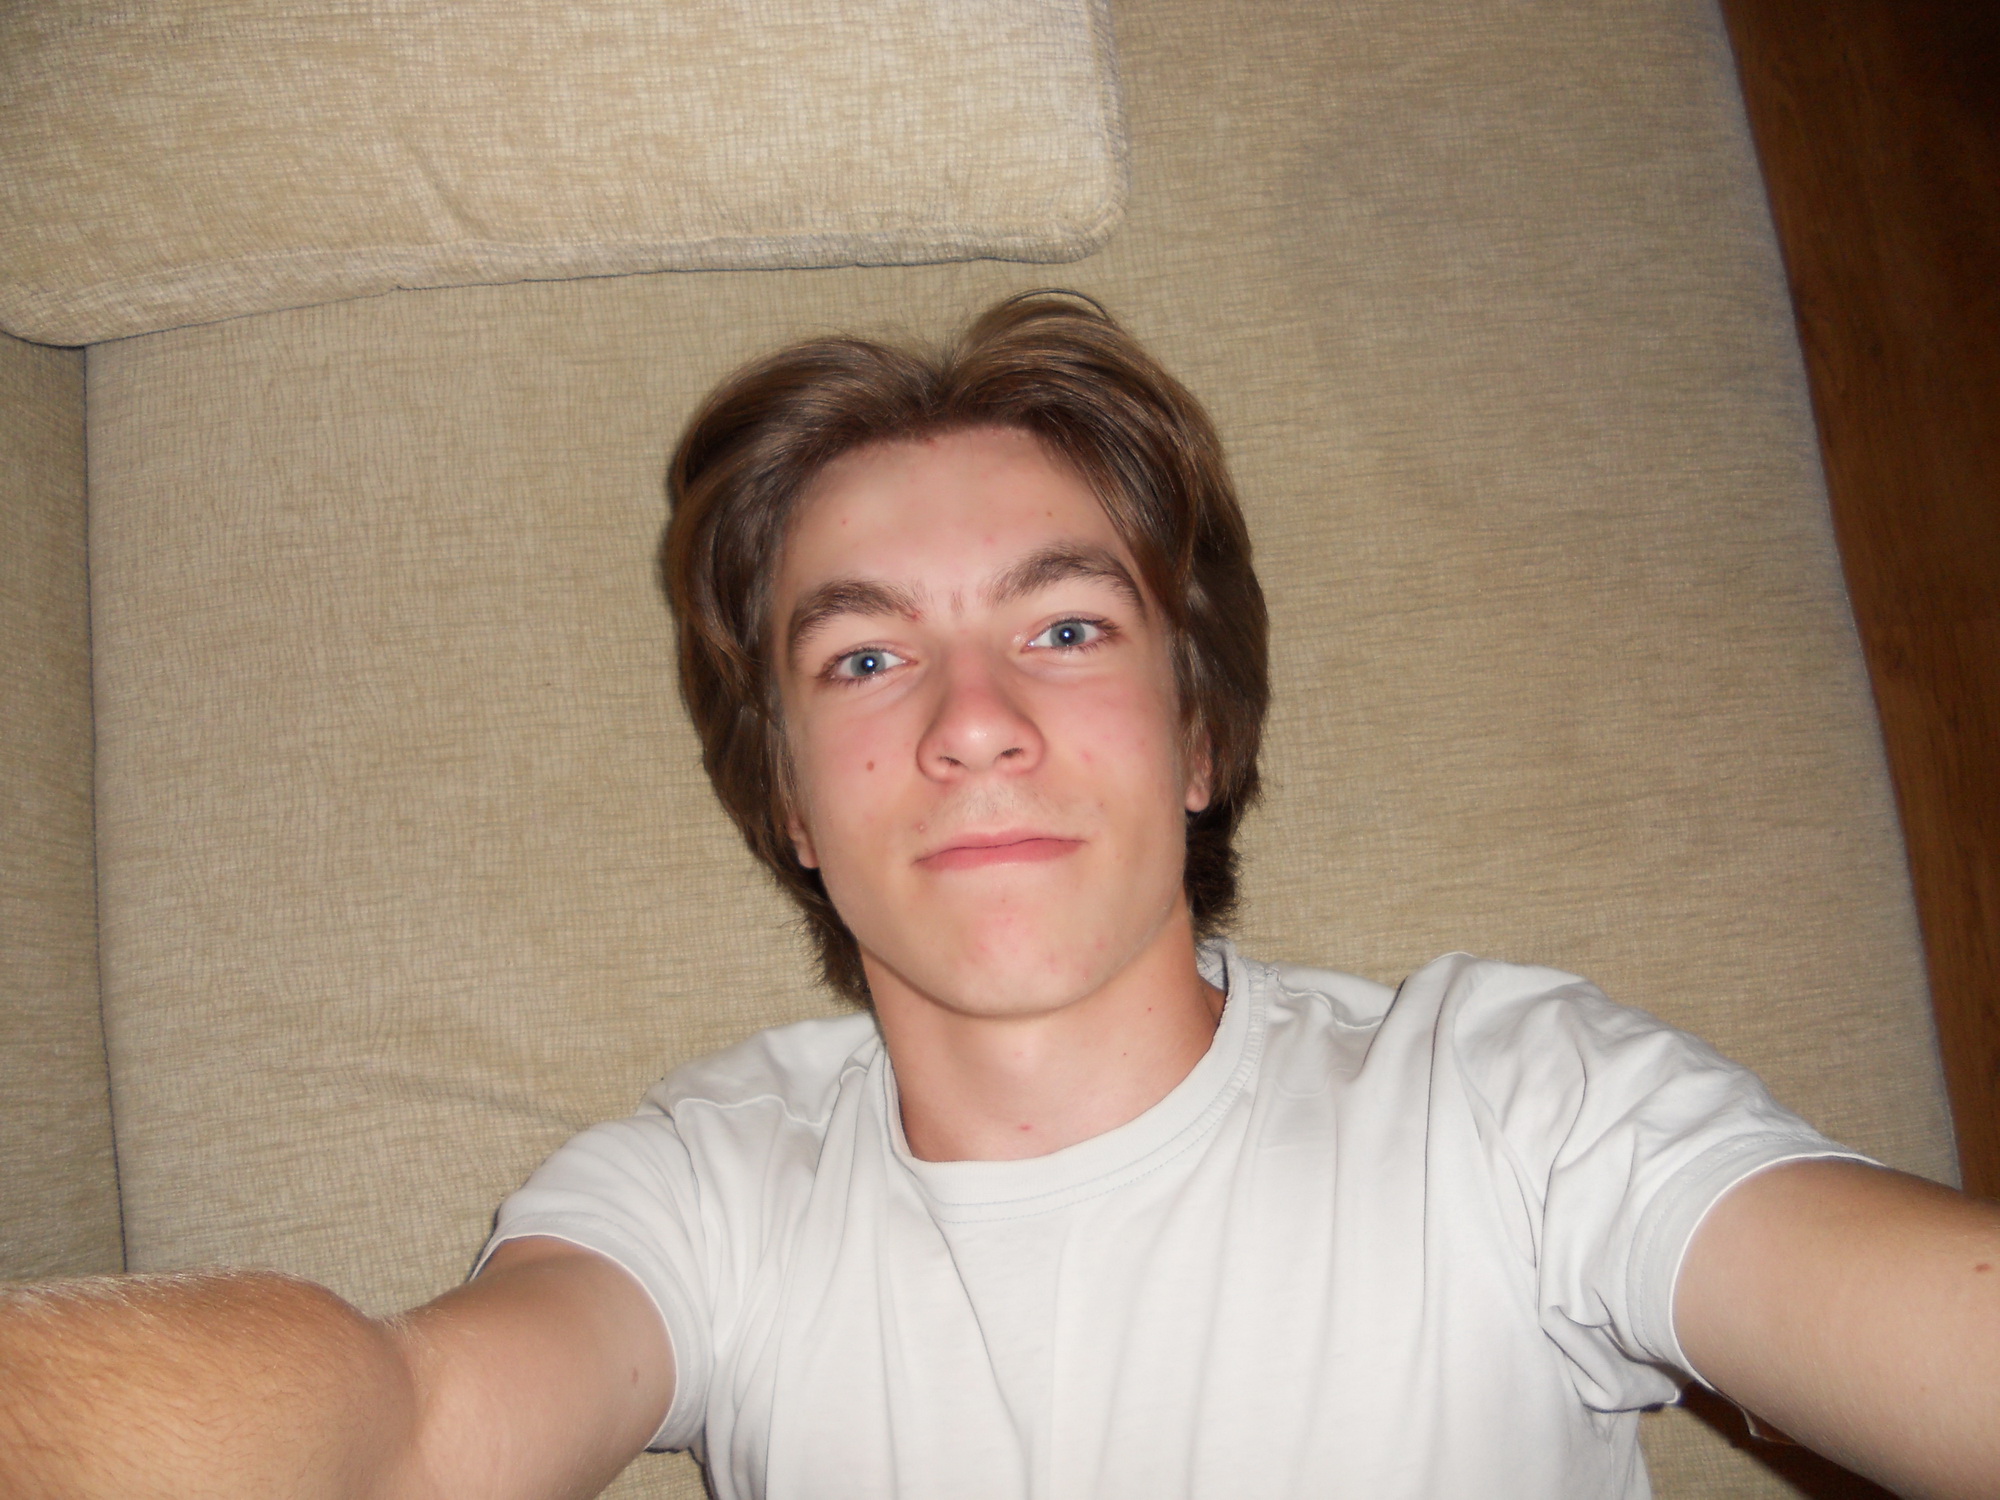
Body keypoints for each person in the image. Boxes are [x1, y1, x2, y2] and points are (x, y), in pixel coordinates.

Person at [3, 294, 1997, 1500]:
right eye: (865, 656)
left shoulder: (1511, 1104)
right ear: (788, 801)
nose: (970, 722)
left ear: (1200, 735)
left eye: (1062, 626)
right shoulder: (712, 1192)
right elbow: (413, 1437)